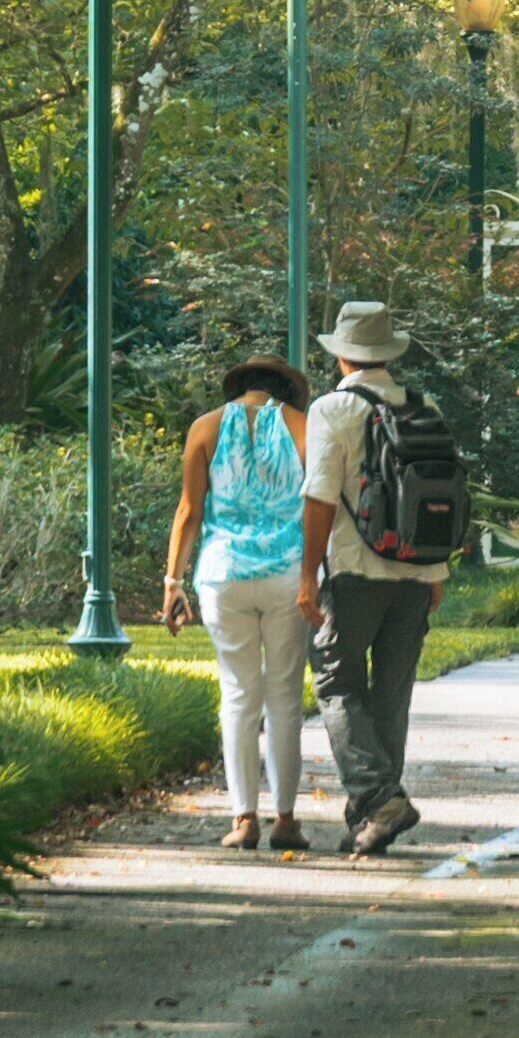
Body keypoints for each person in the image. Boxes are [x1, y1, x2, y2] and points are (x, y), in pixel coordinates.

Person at [298, 301, 447, 855]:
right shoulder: (423, 405)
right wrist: (437, 570)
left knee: (336, 683)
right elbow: (435, 492)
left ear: (341, 354)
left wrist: (308, 577)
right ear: (388, 353)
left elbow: (318, 497)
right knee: (391, 694)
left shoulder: (331, 409)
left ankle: (380, 800)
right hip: (415, 571)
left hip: (354, 571)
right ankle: (372, 820)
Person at [162, 353, 311, 853]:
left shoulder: (205, 427)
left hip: (224, 574)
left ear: (239, 388)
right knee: (285, 695)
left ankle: (244, 818)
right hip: (288, 574)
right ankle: (285, 819)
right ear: (282, 390)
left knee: (238, 694)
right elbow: (321, 500)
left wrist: (172, 580)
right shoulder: (300, 425)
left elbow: (189, 509)